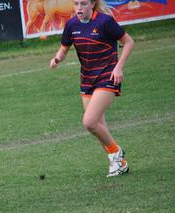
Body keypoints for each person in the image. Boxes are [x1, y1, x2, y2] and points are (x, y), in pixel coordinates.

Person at [50, 0, 134, 177]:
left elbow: (129, 42)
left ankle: (116, 152)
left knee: (89, 122)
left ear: (92, 4)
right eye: (76, 4)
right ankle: (120, 164)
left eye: (83, 4)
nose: (79, 8)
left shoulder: (104, 22)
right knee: (98, 126)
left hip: (108, 76)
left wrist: (118, 67)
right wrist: (57, 58)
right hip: (87, 80)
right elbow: (64, 48)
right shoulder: (71, 24)